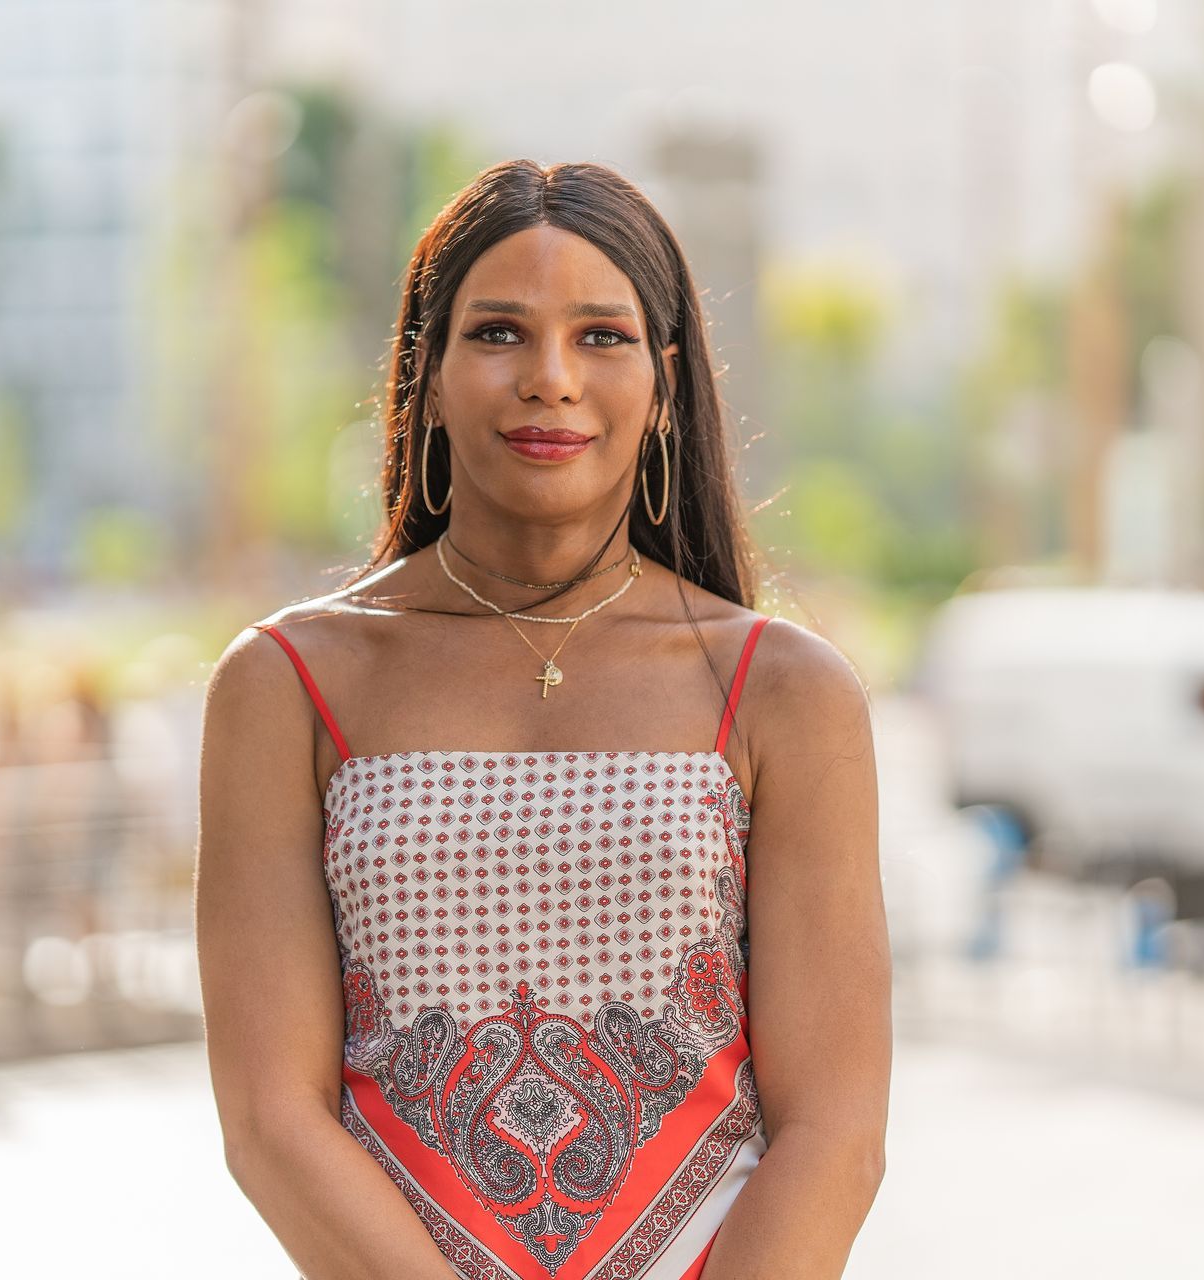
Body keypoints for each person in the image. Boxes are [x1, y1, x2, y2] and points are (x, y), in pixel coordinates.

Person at [196, 159, 890, 1280]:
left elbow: (835, 1134)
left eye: (602, 336)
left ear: (663, 385)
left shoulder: (784, 691)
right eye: (498, 333)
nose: (551, 378)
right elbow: (273, 1120)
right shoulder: (287, 685)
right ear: (425, 375)